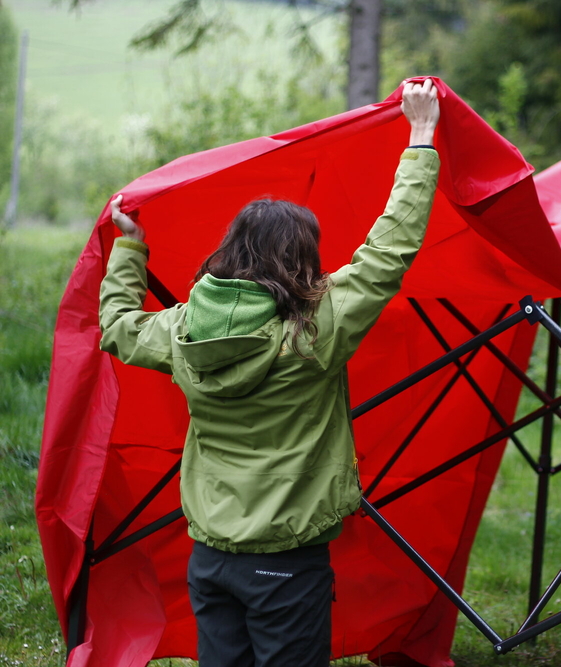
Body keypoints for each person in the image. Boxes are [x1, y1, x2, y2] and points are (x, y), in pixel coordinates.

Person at [98, 78, 441, 667]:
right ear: (303, 262)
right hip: (287, 562)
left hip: (209, 559)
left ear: (230, 253)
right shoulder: (314, 332)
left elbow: (116, 324)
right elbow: (390, 250)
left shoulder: (181, 332)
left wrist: (130, 249)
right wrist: (422, 137)